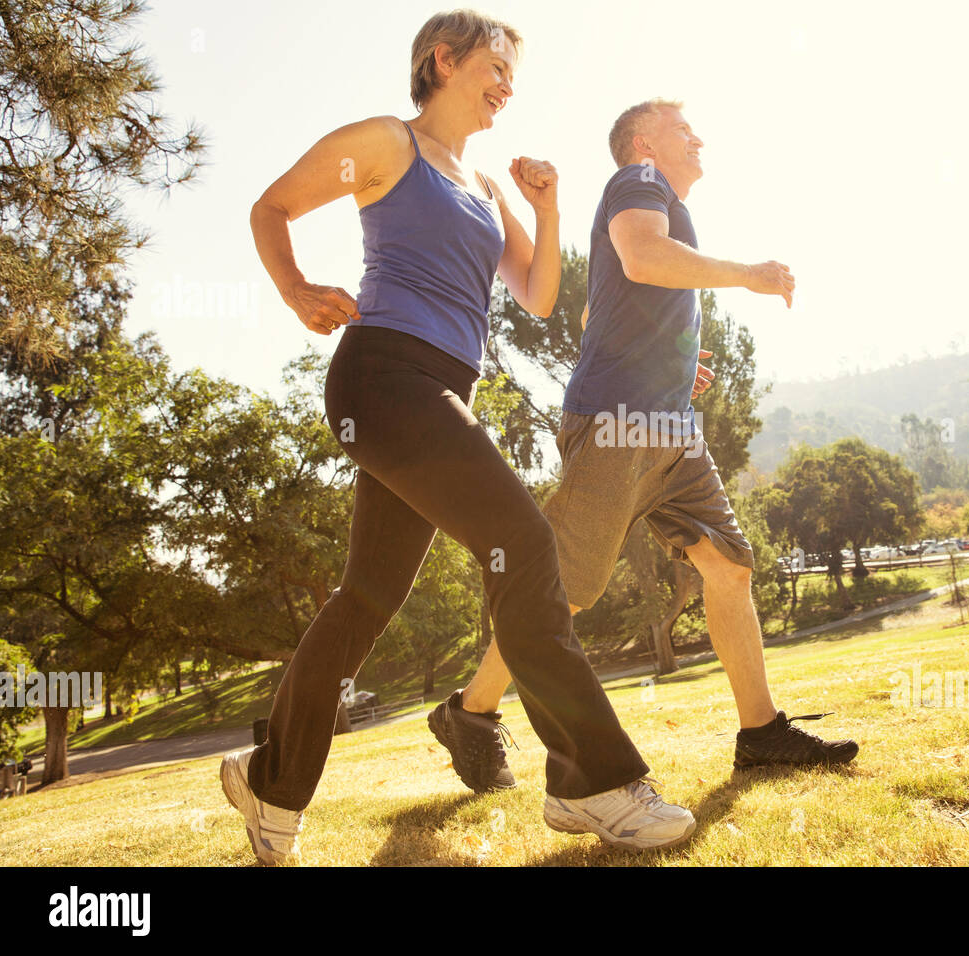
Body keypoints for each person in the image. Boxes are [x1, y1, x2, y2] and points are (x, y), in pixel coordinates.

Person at [221, 12, 695, 865]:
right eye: (496, 64)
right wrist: (295, 290)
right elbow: (272, 206)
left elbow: (539, 294)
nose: (509, 83)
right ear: (442, 60)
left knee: (366, 598)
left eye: (515, 71)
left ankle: (270, 783)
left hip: (441, 390)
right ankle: (593, 783)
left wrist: (546, 210)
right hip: (383, 378)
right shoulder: (383, 144)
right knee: (520, 541)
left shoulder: (483, 185)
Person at [430, 98, 858, 794]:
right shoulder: (638, 181)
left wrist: (671, 359)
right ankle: (471, 712)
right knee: (563, 590)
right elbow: (643, 256)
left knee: (729, 565)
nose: (698, 137)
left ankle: (762, 735)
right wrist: (750, 274)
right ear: (642, 143)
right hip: (617, 423)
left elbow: (605, 302)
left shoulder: (656, 200)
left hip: (668, 429)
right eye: (682, 128)